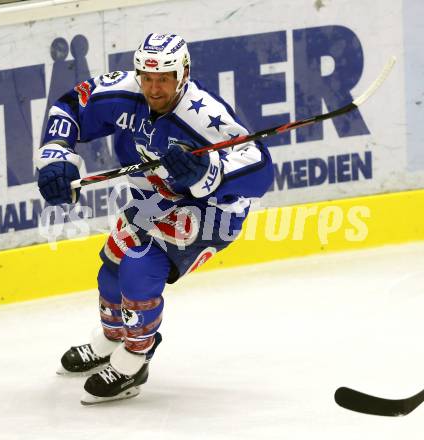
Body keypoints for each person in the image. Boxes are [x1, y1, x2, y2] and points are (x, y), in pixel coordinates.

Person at [35, 33, 274, 405]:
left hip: (208, 213)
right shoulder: (125, 92)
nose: (154, 87)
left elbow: (261, 171)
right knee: (111, 266)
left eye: (164, 77)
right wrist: (56, 158)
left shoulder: (203, 114)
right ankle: (110, 340)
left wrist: (204, 172)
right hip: (154, 201)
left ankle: (134, 362)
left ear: (184, 73)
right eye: (147, 77)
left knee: (136, 271)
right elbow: (70, 106)